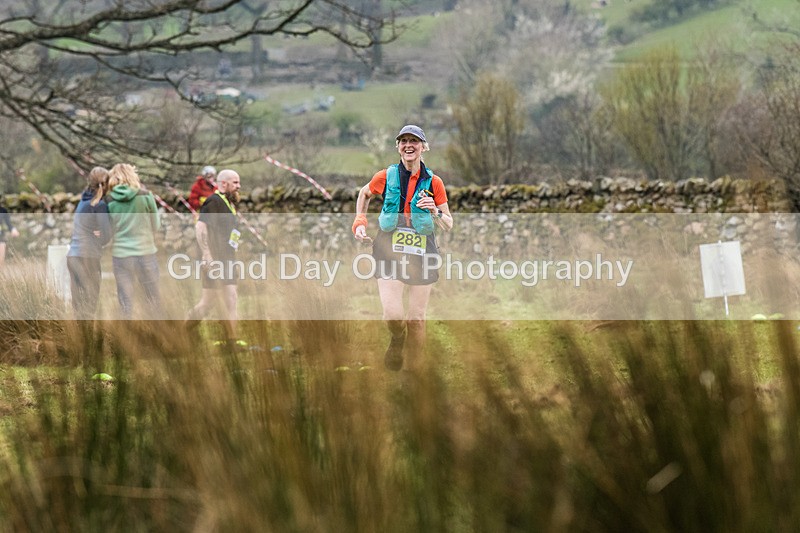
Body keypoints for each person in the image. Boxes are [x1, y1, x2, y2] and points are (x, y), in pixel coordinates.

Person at [352, 125, 453, 371]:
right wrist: (360, 221)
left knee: (416, 319)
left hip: (422, 251)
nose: (409, 145)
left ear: (423, 147)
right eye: (404, 141)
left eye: (414, 141)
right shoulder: (385, 177)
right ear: (398, 146)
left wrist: (435, 211)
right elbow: (364, 194)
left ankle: (415, 374)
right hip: (389, 248)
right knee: (393, 316)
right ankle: (397, 338)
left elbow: (448, 223)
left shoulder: (435, 182)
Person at [185, 169, 242, 348]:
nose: (239, 186)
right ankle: (181, 333)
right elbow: (200, 227)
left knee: (231, 299)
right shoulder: (213, 201)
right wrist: (207, 254)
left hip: (228, 258)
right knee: (207, 304)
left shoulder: (229, 203)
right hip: (215, 259)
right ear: (223, 183)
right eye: (235, 182)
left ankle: (231, 342)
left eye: (238, 182)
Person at [106, 163, 162, 319]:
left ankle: (127, 339)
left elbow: (108, 230)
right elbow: (156, 225)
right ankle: (156, 337)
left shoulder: (109, 200)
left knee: (126, 302)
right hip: (146, 254)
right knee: (152, 300)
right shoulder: (145, 196)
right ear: (133, 176)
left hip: (121, 256)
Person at [66, 167, 112, 319]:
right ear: (104, 184)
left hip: (73, 256)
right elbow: (106, 237)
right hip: (88, 258)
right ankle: (87, 341)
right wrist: (98, 235)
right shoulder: (99, 205)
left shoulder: (83, 201)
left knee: (78, 308)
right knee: (90, 307)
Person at [0, 197, 19, 268]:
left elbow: (8, 223)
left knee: (1, 261)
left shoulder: (3, 210)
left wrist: (13, 230)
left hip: (0, 237)